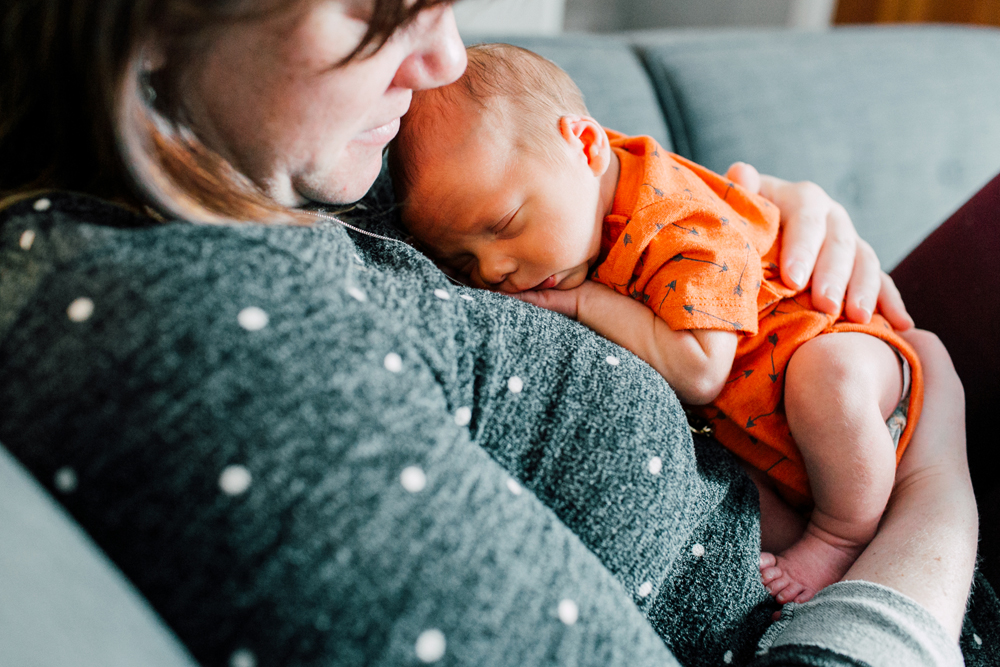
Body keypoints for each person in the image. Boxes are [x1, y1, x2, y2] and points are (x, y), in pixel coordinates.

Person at [0, 1, 985, 666]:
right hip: (926, 586)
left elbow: (585, 181)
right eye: (373, 6)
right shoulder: (202, 339)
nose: (444, 58)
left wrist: (762, 214)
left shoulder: (289, 160)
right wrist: (939, 485)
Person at [389, 42, 927, 604]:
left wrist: (585, 305)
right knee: (720, 486)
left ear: (586, 144)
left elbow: (700, 370)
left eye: (504, 223)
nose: (494, 269)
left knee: (827, 376)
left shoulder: (675, 218)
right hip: (770, 445)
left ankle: (841, 535)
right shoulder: (565, 190)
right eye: (462, 262)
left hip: (853, 366)